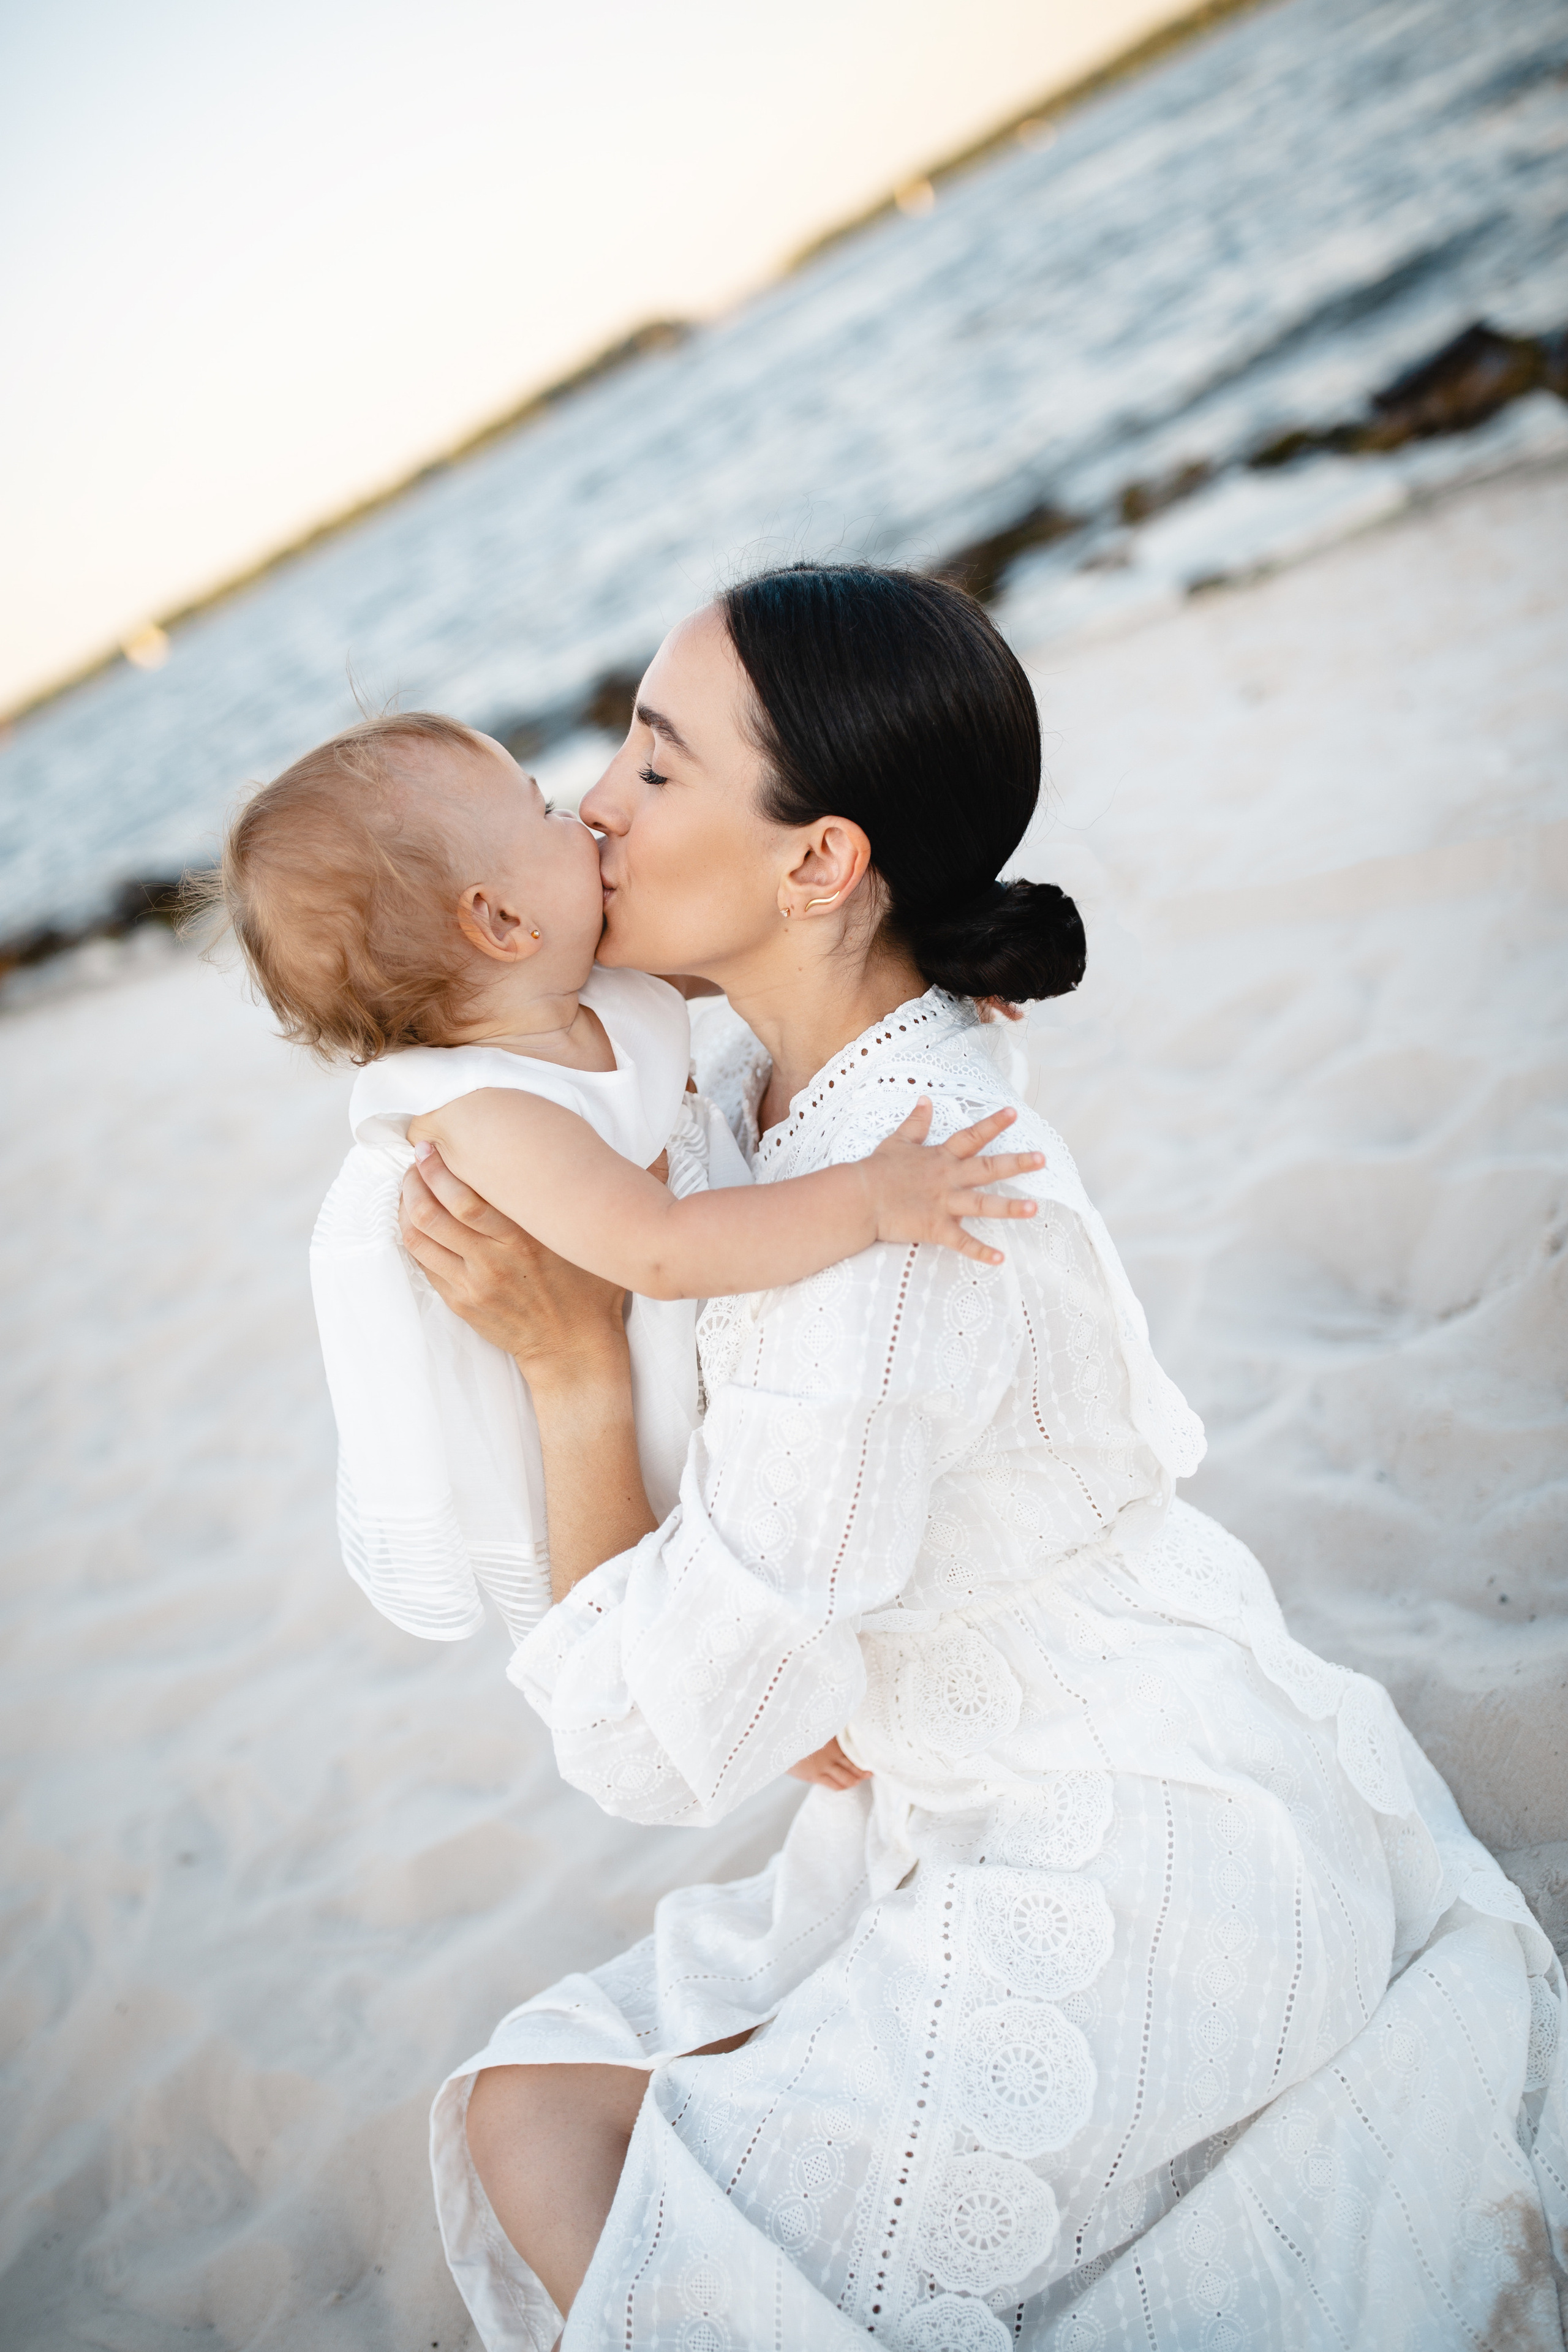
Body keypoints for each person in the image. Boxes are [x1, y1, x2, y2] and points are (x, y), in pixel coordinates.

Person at [402, 565, 1565, 2350]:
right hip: (991, 1761)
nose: (594, 810)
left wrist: (565, 1373)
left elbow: (653, 1745)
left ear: (819, 864)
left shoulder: (885, 1219)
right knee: (536, 2096)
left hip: (1133, 1835)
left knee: (545, 2137)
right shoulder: (789, 1094)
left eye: (653, 763)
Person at [198, 709, 1044, 1646]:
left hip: (702, 1303)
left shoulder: (587, 985)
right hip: (641, 1372)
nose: (586, 816)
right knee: (694, 1554)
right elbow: (662, 1252)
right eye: (544, 811)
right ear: (503, 920)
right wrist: (873, 1198)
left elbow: (773, 949)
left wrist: (932, 954)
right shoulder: (485, 1110)